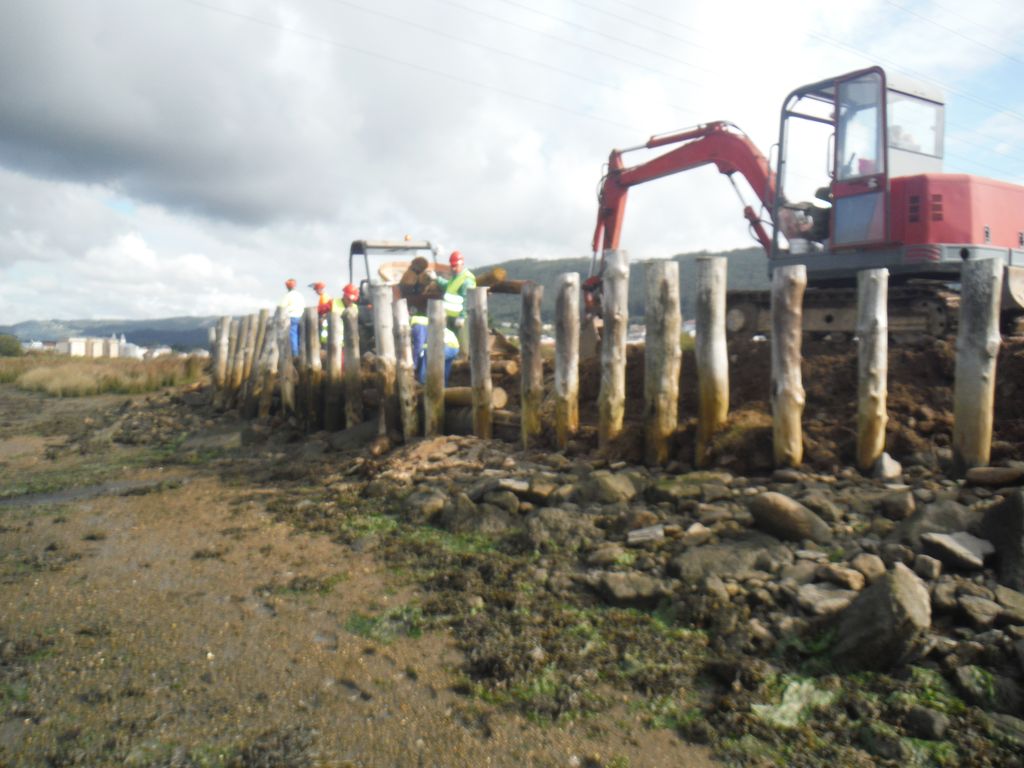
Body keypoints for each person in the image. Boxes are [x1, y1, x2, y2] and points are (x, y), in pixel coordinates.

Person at [434, 250, 476, 331]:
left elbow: (466, 299)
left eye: (455, 265)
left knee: (460, 343)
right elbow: (448, 286)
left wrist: (462, 317)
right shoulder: (455, 277)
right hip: (450, 317)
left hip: (460, 320)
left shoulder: (467, 279)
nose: (453, 268)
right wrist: (436, 279)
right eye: (452, 266)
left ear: (461, 264)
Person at [278, 278, 305, 356]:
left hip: (292, 316)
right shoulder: (300, 295)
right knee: (300, 335)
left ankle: (295, 354)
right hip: (301, 316)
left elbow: (282, 306)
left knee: (293, 335)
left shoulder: (288, 295)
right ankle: (301, 353)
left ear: (287, 287)